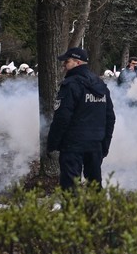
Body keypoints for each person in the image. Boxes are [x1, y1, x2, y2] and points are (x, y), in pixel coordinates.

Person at [45, 47, 116, 191]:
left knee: (70, 188)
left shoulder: (70, 85)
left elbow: (62, 118)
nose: (64, 65)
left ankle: (74, 213)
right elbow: (110, 118)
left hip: (73, 145)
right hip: (95, 144)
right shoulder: (100, 85)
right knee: (94, 187)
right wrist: (104, 145)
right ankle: (95, 213)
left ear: (77, 62)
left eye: (67, 61)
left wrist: (52, 143)